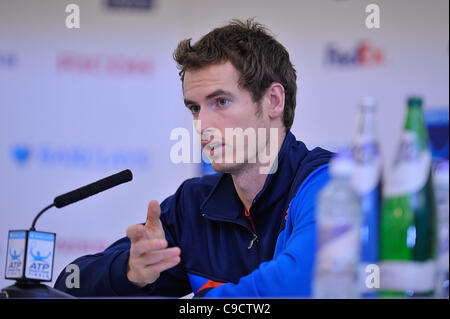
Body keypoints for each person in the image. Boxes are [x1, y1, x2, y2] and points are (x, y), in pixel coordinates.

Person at [54, 19, 332, 298]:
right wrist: (129, 271)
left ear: (273, 101)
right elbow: (70, 283)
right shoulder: (194, 204)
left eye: (221, 102)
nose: (203, 124)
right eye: (195, 108)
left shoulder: (326, 182)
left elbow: (294, 285)